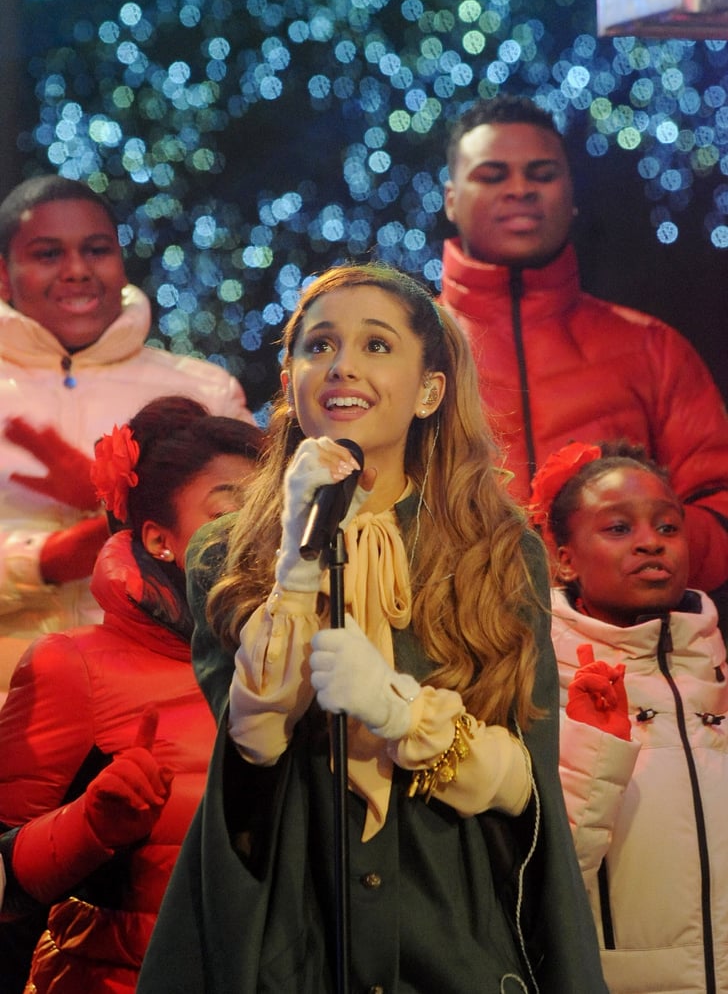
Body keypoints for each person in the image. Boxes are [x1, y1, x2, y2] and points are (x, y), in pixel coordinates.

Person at [137, 263, 606, 993]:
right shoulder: (227, 552)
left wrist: (398, 712)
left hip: (452, 930)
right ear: (290, 377)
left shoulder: (498, 546)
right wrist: (297, 558)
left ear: (429, 390)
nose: (342, 365)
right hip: (298, 935)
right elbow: (254, 745)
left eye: (377, 346)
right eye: (319, 345)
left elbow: (524, 786)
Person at [0, 395, 264, 994]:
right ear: (159, 538)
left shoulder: (318, 661)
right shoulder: (75, 666)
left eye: (272, 509)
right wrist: (92, 823)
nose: (260, 530)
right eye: (230, 510)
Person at [441, 93, 728, 605]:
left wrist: (632, 569)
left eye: (541, 173)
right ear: (450, 199)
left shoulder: (650, 347)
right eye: (492, 175)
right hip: (449, 653)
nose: (520, 190)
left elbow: (718, 501)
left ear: (571, 195)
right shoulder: (407, 350)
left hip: (630, 663)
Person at [0, 174, 255, 691]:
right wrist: (47, 559)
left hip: (163, 700)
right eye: (48, 254)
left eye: (96, 250)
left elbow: (254, 552)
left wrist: (115, 515)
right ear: (3, 276)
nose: (76, 271)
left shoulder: (203, 391)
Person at [529, 439, 728, 993]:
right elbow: (535, 883)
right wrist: (594, 747)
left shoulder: (717, 672)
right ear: (564, 555)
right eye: (618, 528)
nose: (650, 543)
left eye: (667, 527)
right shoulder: (539, 677)